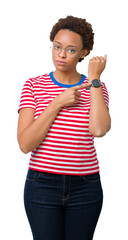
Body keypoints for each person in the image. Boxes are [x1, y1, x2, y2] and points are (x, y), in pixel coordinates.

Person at [17, 15, 111, 240]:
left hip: (86, 185)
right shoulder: (33, 85)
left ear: (83, 53)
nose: (61, 54)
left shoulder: (96, 87)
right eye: (57, 47)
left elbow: (99, 130)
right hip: (41, 184)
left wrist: (95, 77)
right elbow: (25, 144)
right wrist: (57, 102)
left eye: (70, 50)